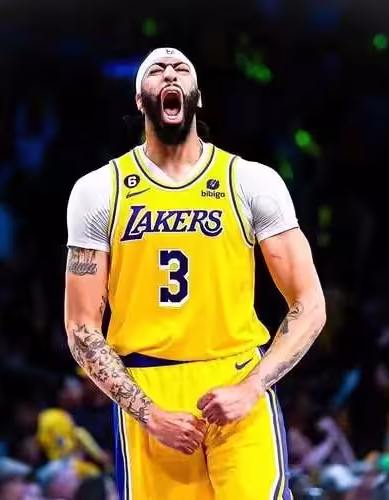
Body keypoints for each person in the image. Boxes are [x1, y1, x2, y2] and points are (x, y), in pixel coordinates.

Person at [64, 47, 327, 499]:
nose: (169, 73)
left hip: (236, 380)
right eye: (156, 70)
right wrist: (148, 413)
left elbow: (310, 304)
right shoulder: (99, 190)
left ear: (197, 97)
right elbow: (81, 328)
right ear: (139, 100)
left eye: (181, 68)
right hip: (149, 389)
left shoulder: (251, 181)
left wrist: (253, 387)